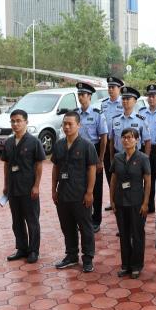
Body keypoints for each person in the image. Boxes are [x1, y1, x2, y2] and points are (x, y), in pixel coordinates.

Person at [51, 111, 98, 273]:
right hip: (63, 194)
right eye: (64, 123)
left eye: (70, 124)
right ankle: (71, 256)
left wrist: (90, 192)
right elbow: (55, 168)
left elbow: (92, 169)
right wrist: (53, 189)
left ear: (79, 125)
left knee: (85, 228)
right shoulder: (59, 145)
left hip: (80, 195)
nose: (67, 126)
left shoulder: (87, 146)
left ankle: (88, 258)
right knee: (67, 227)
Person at [2, 109, 46, 264]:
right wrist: (6, 184)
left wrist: (36, 186)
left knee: (32, 220)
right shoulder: (8, 142)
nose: (15, 124)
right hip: (14, 189)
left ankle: (34, 250)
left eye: (18, 121)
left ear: (26, 122)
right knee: (17, 220)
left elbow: (39, 165)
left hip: (29, 189)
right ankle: (22, 248)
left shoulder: (34, 142)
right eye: (12, 121)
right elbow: (6, 164)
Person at [110, 128, 152, 278]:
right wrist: (111, 200)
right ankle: (125, 265)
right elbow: (113, 179)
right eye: (124, 137)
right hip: (120, 202)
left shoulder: (143, 158)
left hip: (137, 202)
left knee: (137, 234)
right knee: (124, 234)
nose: (126, 140)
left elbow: (147, 181)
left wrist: (146, 202)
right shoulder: (117, 157)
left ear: (137, 140)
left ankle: (136, 265)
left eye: (129, 137)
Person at [75, 81, 108, 233]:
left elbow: (104, 137)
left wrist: (100, 159)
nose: (80, 97)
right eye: (79, 95)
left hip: (93, 150)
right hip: (78, 152)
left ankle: (96, 219)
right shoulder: (75, 114)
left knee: (95, 188)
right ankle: (83, 217)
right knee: (80, 185)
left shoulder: (97, 113)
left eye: (83, 95)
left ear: (89, 96)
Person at [139, 84, 156, 214]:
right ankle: (148, 205)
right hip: (144, 148)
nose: (150, 99)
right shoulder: (141, 112)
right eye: (149, 96)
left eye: (153, 96)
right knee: (146, 176)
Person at [101, 76, 124, 210]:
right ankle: (113, 199)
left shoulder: (125, 102)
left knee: (122, 174)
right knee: (110, 172)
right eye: (109, 87)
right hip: (107, 141)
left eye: (113, 87)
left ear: (119, 89)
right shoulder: (104, 104)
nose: (110, 90)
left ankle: (121, 199)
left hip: (120, 142)